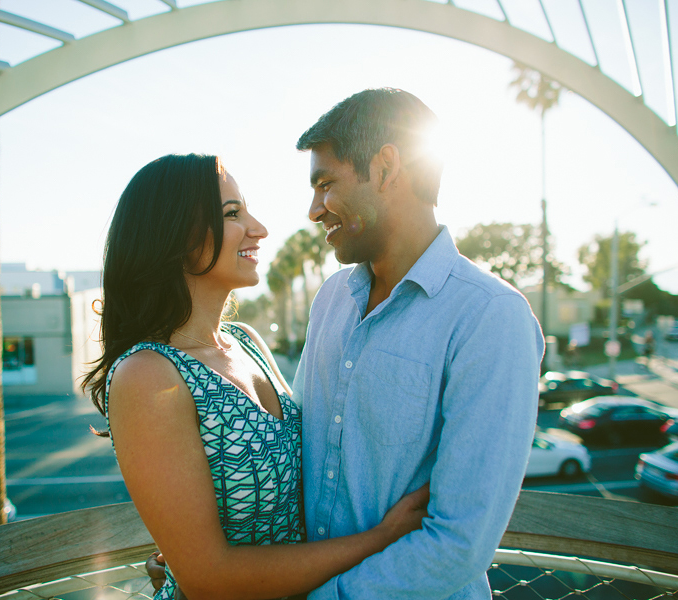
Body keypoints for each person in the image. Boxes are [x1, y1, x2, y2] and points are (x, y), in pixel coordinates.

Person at [84, 153, 428, 600]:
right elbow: (209, 579)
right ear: (173, 235)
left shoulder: (246, 342)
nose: (258, 228)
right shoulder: (146, 375)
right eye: (231, 214)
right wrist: (380, 539)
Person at [290, 88, 545, 599]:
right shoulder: (332, 299)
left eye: (326, 184)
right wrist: (212, 563)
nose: (314, 209)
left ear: (386, 168)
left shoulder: (490, 317)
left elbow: (458, 544)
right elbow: (297, 451)